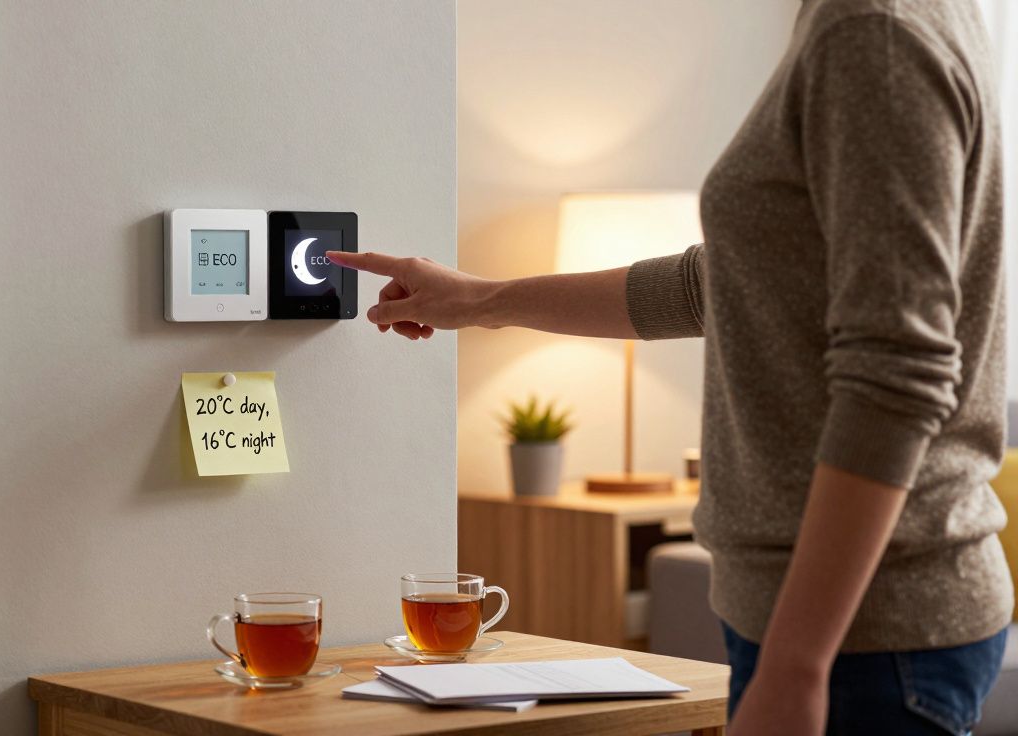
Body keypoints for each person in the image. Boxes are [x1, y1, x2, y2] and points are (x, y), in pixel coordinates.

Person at [328, 0, 1011, 733]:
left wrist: (795, 667)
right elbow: (718, 285)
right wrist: (482, 299)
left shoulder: (873, 35)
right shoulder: (875, 23)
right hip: (845, 634)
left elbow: (896, 378)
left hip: (865, 642)